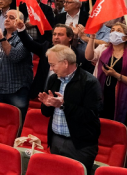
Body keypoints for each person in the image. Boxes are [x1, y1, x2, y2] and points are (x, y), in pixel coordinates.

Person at [39, 45, 101, 174]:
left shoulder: (89, 82)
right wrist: (47, 104)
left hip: (80, 145)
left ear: (65, 63)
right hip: (55, 140)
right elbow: (46, 113)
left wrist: (63, 105)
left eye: (53, 65)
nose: (50, 68)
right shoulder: (53, 79)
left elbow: (90, 115)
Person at [85, 21, 127, 125]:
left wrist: (116, 75)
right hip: (101, 95)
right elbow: (89, 57)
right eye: (112, 30)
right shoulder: (103, 49)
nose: (114, 33)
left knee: (118, 129)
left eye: (119, 31)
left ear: (126, 37)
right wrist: (92, 38)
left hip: (123, 99)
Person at [0, 9, 33, 117]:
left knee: (16, 121)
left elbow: (15, 57)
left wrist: (2, 39)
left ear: (20, 22)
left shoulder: (25, 39)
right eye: (6, 17)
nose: (7, 19)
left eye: (12, 18)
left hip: (16, 90)